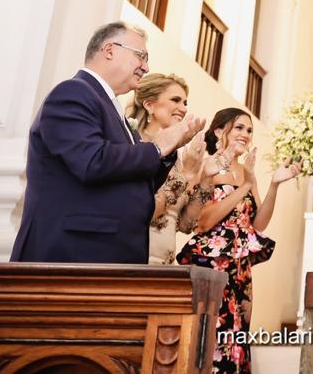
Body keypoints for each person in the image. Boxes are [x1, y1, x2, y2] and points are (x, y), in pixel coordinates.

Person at [10, 22, 203, 264]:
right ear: (110, 50)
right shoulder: (73, 93)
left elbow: (136, 179)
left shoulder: (111, 107)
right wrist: (156, 147)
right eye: (141, 56)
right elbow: (91, 161)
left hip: (105, 251)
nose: (145, 66)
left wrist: (167, 152)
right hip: (73, 252)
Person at [178, 107, 299, 374]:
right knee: (209, 341)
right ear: (220, 131)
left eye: (249, 130)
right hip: (210, 265)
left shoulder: (246, 171)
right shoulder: (207, 165)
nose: (245, 134)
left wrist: (274, 185)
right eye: (239, 128)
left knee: (237, 341)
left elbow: (257, 224)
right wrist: (243, 187)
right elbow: (203, 222)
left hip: (240, 269)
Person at [128, 72, 207, 264]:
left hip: (165, 267)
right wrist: (186, 175)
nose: (183, 108)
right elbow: (142, 212)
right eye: (175, 100)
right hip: (137, 259)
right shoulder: (135, 146)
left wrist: (206, 179)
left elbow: (186, 225)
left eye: (185, 103)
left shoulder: (178, 156)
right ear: (149, 105)